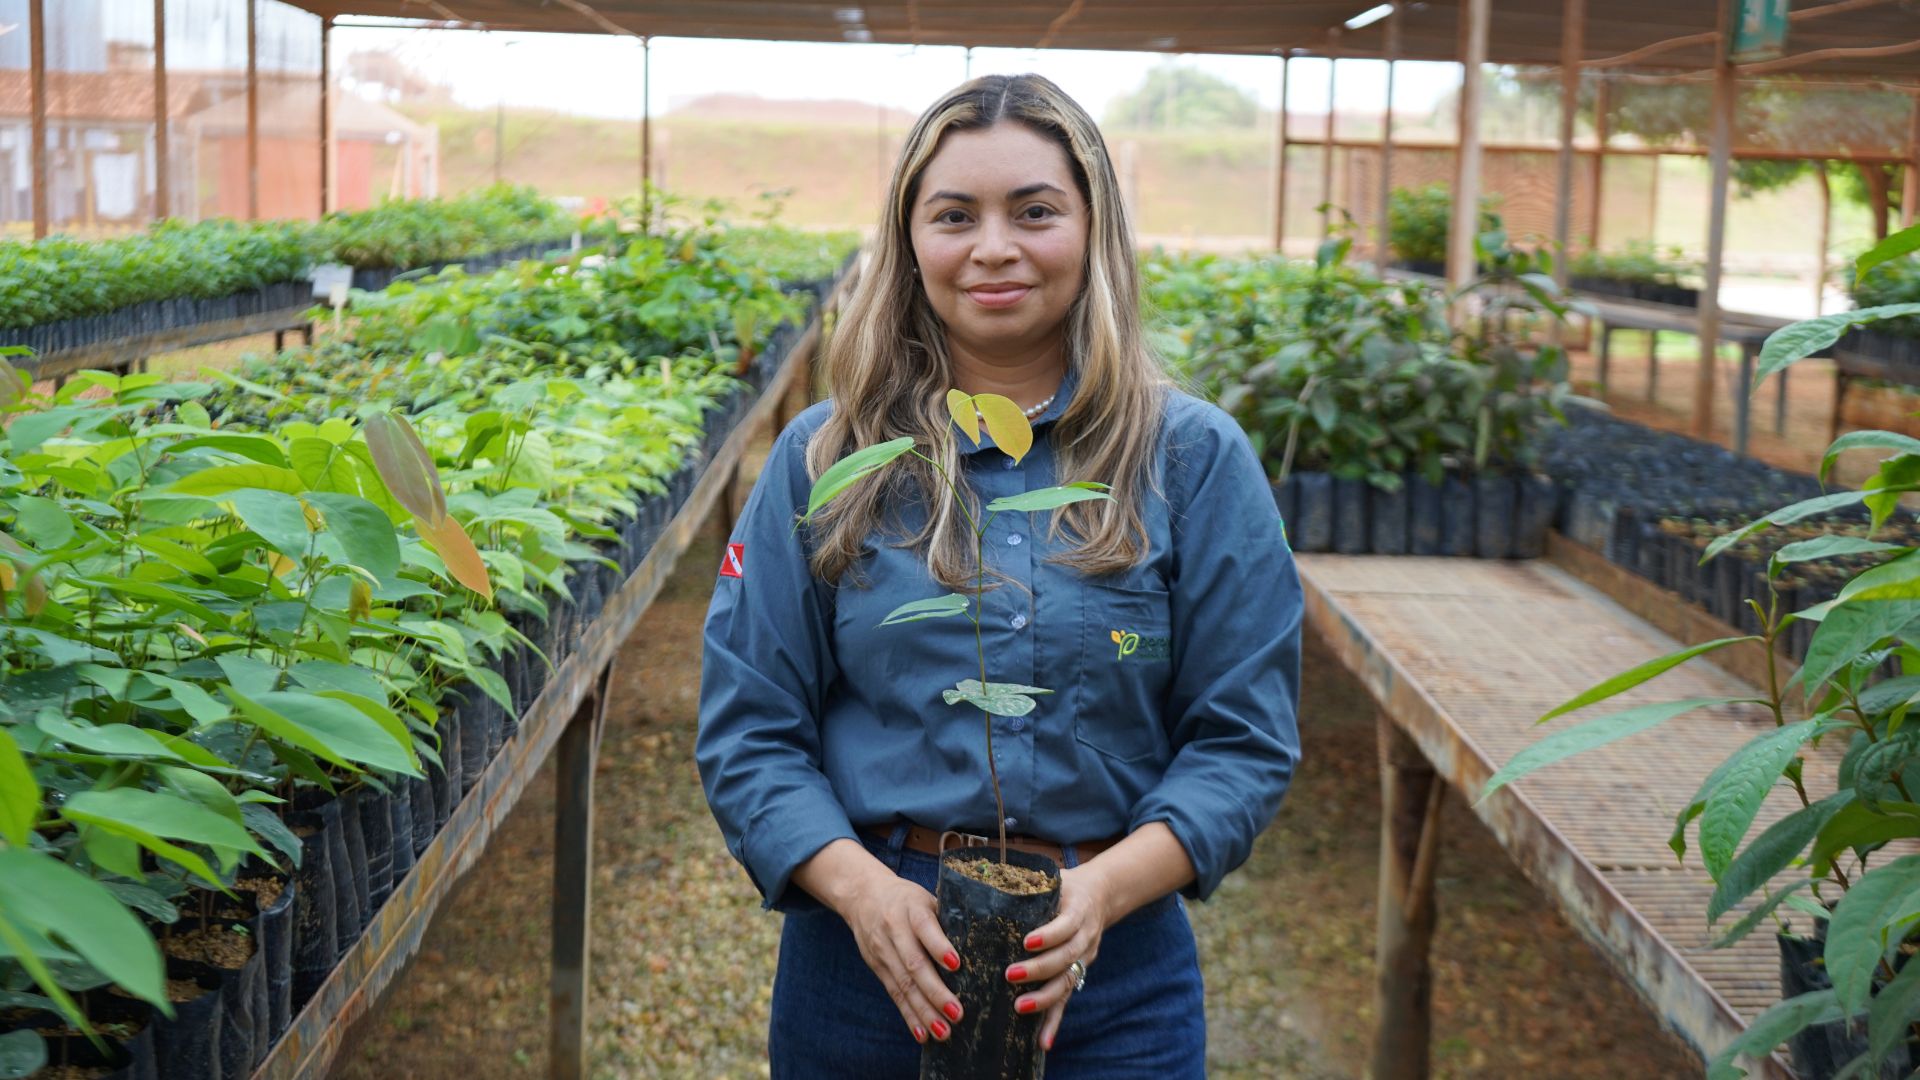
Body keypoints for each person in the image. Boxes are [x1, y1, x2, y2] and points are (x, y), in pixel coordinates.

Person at [696, 73, 1301, 1079]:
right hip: (869, 967)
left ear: (1093, 229)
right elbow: (748, 727)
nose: (993, 247)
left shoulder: (1192, 460)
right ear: (910, 243)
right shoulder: (826, 462)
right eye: (954, 215)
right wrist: (859, 892)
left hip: (1116, 974)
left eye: (1034, 211)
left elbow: (1243, 741)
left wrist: (1100, 895)